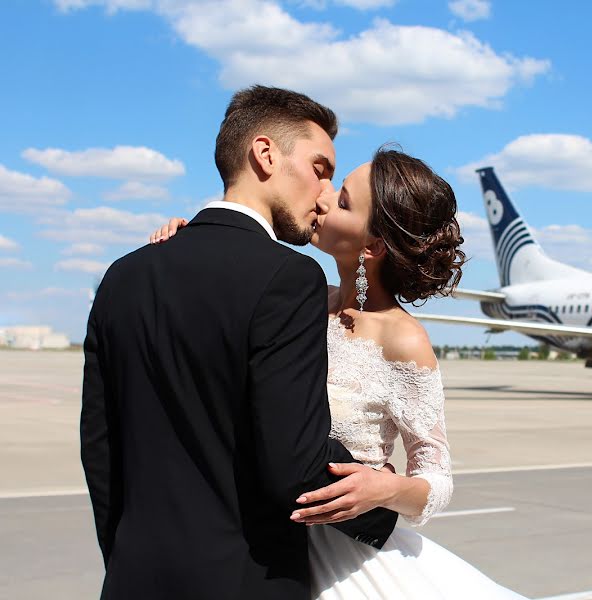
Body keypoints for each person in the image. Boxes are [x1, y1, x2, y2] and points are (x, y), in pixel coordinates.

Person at [149, 147, 527, 598]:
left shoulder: (403, 339)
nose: (323, 196)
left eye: (343, 200)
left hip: (346, 561)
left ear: (371, 247)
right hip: (255, 544)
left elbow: (437, 474)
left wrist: (384, 489)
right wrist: (193, 245)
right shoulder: (296, 299)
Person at [81, 85, 398, 600]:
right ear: (266, 154)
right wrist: (387, 502)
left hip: (131, 578)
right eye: (320, 168)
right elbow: (292, 468)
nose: (324, 192)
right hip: (244, 581)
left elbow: (100, 447)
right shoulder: (288, 278)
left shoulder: (123, 275)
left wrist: (123, 556)